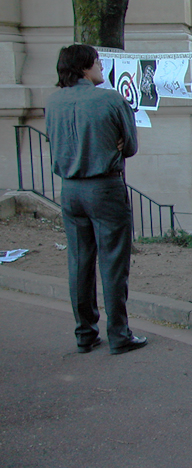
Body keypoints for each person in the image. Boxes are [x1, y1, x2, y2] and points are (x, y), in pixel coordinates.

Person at [46, 44, 147, 355]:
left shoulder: (53, 102)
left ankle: (85, 333)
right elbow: (129, 145)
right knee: (113, 263)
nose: (101, 66)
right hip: (104, 187)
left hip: (70, 189)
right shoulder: (110, 99)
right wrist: (113, 144)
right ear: (85, 67)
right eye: (97, 62)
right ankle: (119, 333)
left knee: (79, 261)